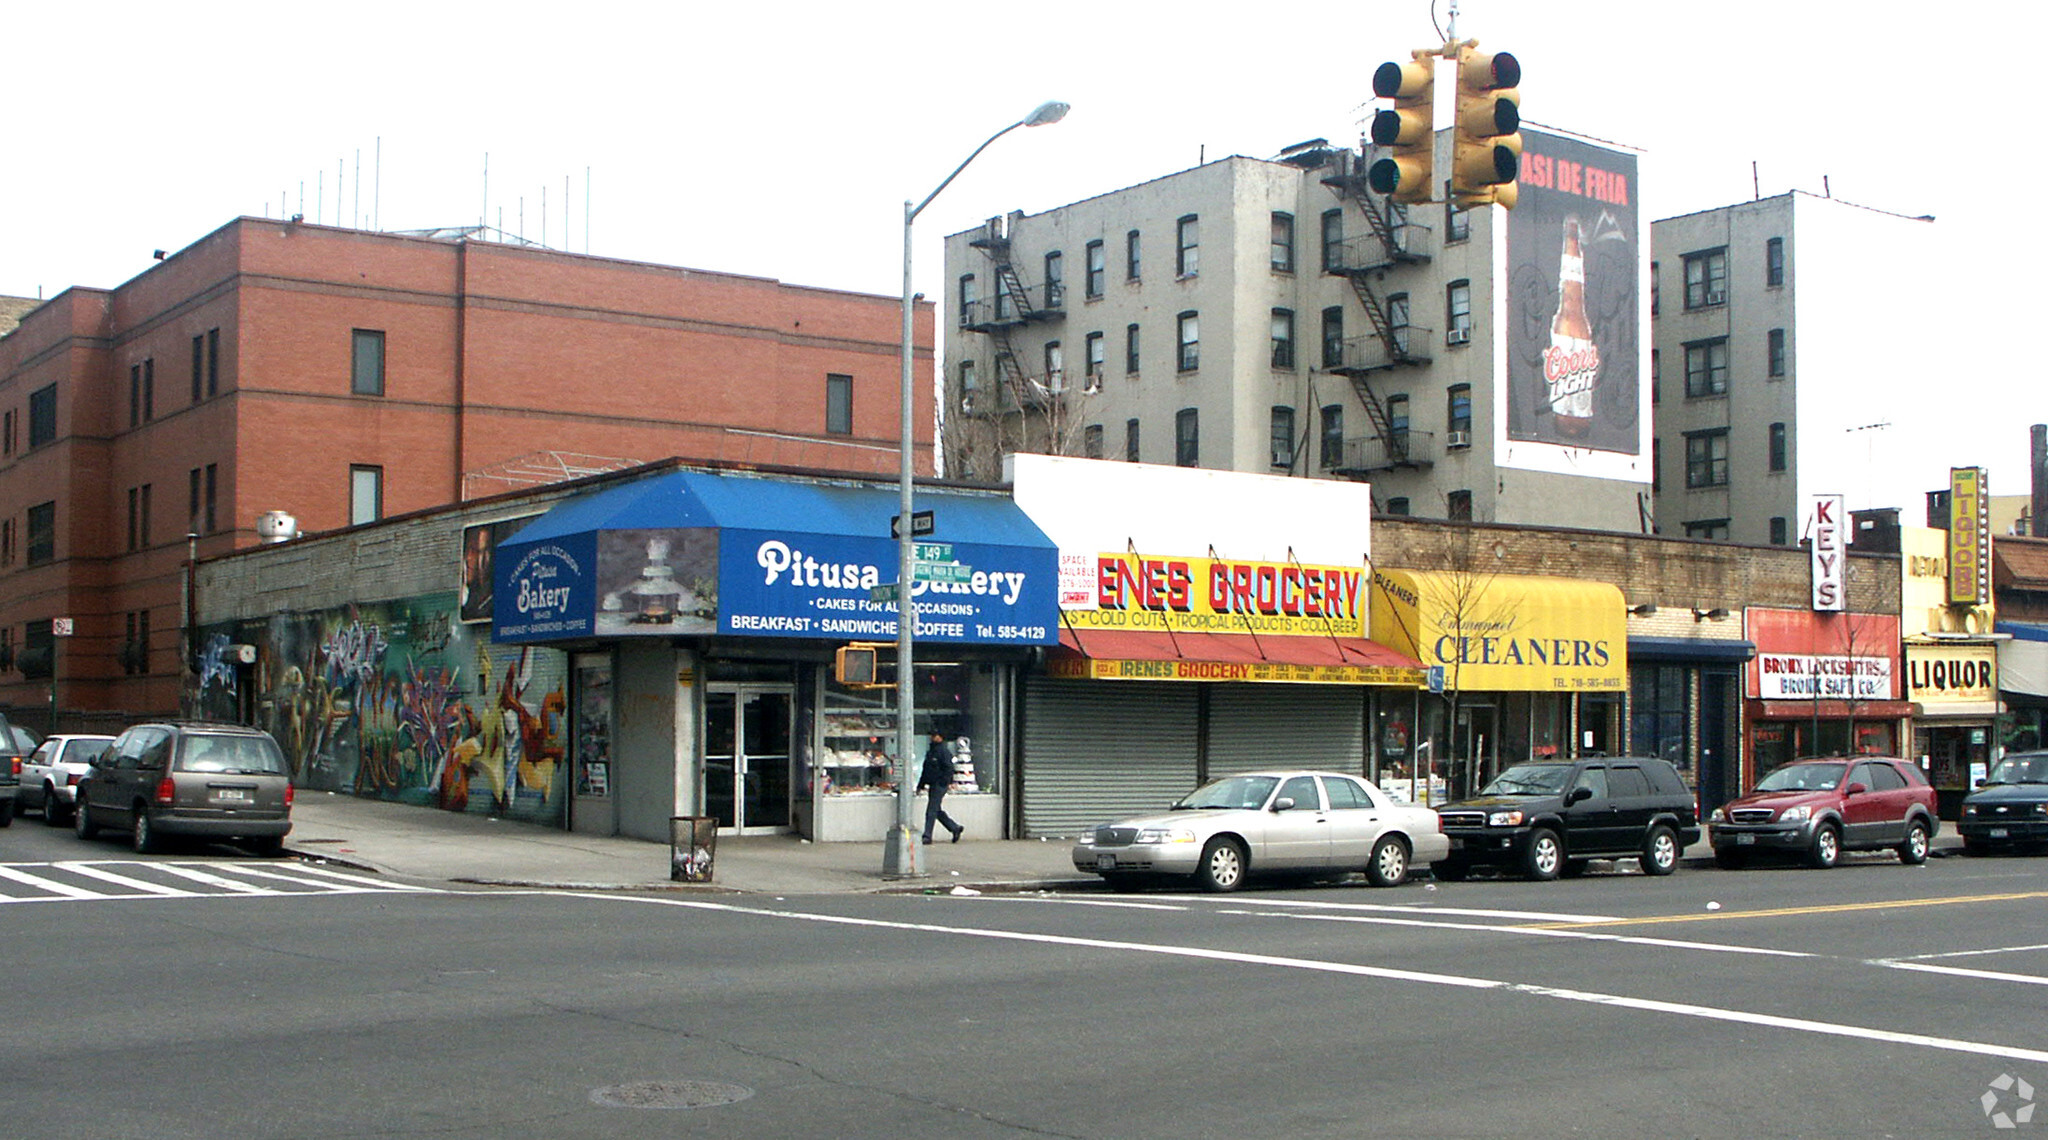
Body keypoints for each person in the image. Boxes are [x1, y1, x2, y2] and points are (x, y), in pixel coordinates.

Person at [918, 733, 964, 845]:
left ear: (940, 737)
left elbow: (948, 768)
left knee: (931, 810)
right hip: (934, 784)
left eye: (935, 736)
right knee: (936, 810)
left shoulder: (943, 751)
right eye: (932, 736)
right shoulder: (931, 751)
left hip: (939, 784)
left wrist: (944, 782)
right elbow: (926, 769)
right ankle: (954, 827)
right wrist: (921, 784)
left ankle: (927, 836)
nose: (932, 737)